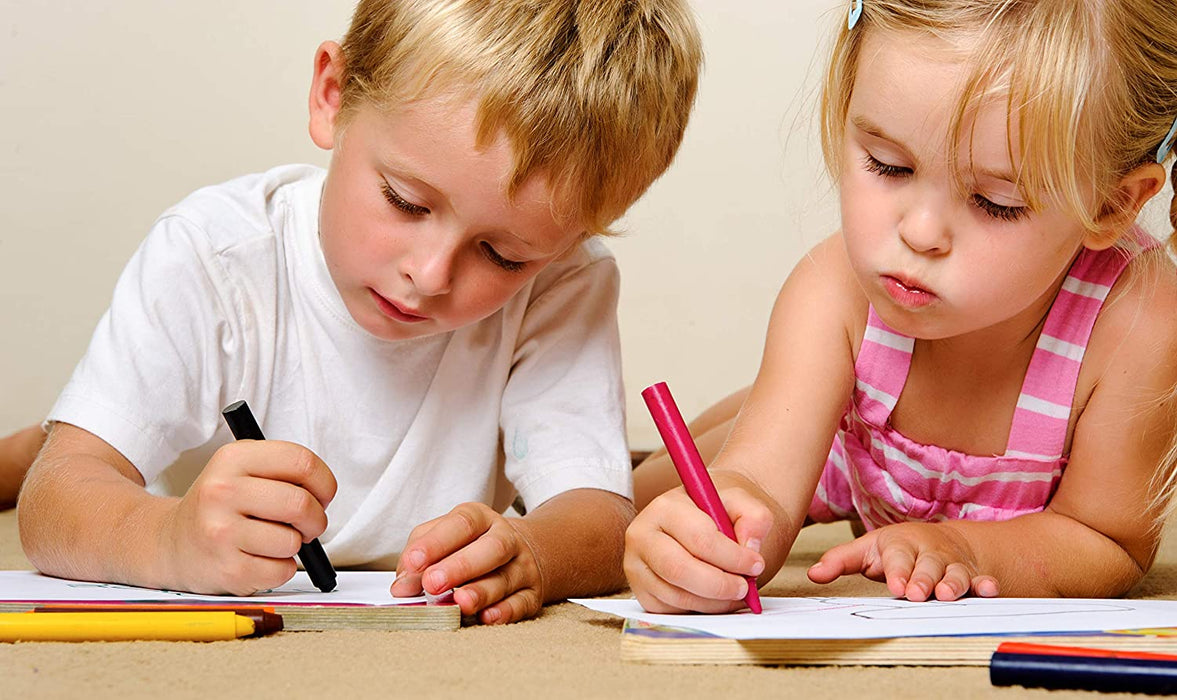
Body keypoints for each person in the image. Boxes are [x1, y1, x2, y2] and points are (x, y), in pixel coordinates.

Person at [16, 0, 702, 625]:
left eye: (501, 255)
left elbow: (598, 513)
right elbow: (55, 502)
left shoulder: (562, 283)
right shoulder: (215, 253)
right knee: (48, 454)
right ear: (331, 97)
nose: (428, 276)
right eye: (406, 202)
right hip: (183, 483)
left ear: (568, 241)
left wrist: (533, 549)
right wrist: (168, 539)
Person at [626, 0, 1177, 613]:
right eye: (888, 166)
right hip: (852, 443)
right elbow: (759, 484)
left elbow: (1106, 541)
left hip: (909, 472)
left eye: (996, 202)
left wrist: (966, 548)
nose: (919, 233)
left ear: (1110, 205)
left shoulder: (1140, 323)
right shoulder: (836, 290)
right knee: (639, 496)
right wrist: (708, 531)